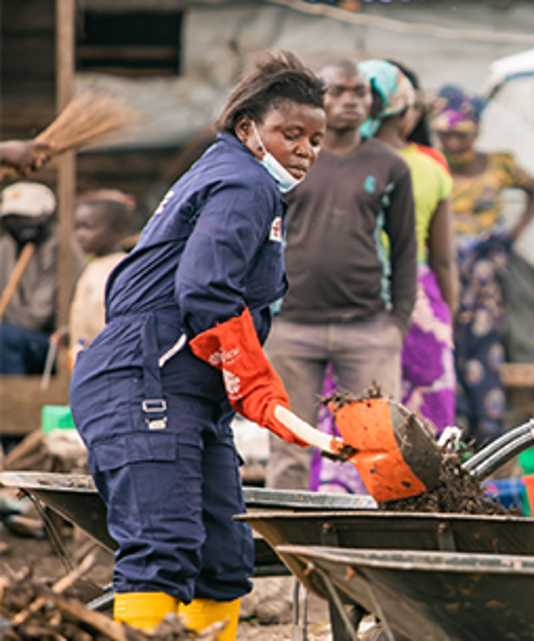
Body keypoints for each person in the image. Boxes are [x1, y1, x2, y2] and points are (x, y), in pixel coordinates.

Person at [69, 51, 327, 637]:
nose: (307, 151)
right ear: (248, 130)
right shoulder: (243, 181)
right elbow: (206, 289)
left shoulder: (231, 175)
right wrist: (253, 377)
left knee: (222, 558)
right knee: (163, 546)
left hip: (188, 390)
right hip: (146, 380)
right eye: (292, 134)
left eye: (316, 139)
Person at [264, 58, 417, 490]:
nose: (350, 100)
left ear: (373, 101)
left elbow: (405, 249)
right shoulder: (290, 161)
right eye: (338, 91)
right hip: (291, 326)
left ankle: (373, 548)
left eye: (360, 92)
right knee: (288, 445)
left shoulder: (390, 166)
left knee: (378, 449)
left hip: (368, 328)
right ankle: (283, 550)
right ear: (316, 98)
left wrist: (397, 323)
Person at [312, 60, 455, 494]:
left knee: (346, 408)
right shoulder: (429, 167)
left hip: (349, 296)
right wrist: (449, 319)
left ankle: (337, 494)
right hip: (421, 304)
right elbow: (444, 258)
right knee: (417, 414)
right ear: (404, 109)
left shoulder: (331, 160)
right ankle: (419, 500)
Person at [432, 84, 534, 445]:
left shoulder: (500, 164)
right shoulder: (431, 166)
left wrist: (513, 234)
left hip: (485, 278)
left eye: (461, 134)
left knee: (484, 347)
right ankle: (451, 432)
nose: (453, 142)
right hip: (443, 268)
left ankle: (486, 438)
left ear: (477, 130)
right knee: (445, 345)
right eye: (445, 134)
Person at [0, 181, 82, 374]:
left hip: (53, 342)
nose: (20, 225)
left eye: (28, 218)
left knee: (3, 337)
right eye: (12, 219)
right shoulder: (5, 247)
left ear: (45, 216)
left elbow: (38, 316)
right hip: (13, 333)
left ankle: (14, 399)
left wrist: (7, 321)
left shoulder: (61, 248)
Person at [67, 190, 134, 365]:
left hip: (107, 362)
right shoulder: (92, 266)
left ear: (117, 231)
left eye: (88, 227)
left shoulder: (120, 269)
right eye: (77, 227)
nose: (79, 234)